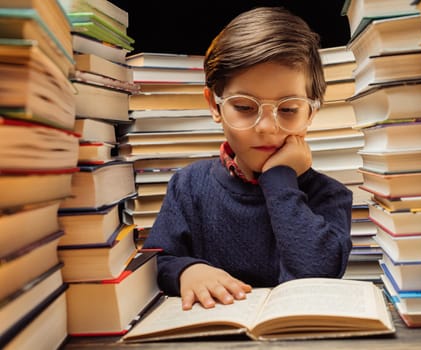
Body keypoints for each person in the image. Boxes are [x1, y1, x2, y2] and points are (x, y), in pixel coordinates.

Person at [143, 6, 353, 310]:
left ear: (311, 113)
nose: (266, 127)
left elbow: (316, 276)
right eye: (244, 107)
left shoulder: (329, 195)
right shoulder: (189, 185)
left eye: (288, 109)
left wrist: (280, 179)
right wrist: (187, 271)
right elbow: (157, 261)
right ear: (214, 106)